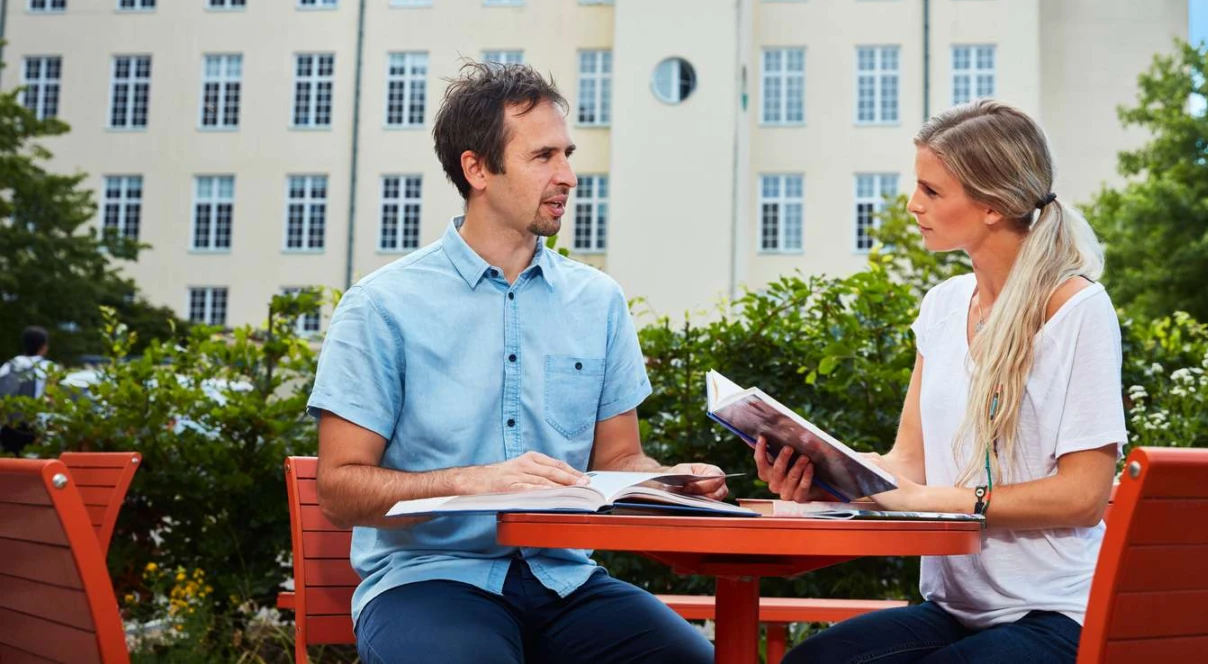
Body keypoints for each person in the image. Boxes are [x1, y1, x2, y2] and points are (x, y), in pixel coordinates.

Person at [309, 62, 723, 664]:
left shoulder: (597, 301)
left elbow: (618, 460)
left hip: (566, 580)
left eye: (568, 154)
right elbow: (340, 487)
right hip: (431, 578)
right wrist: (471, 480)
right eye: (543, 157)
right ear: (476, 168)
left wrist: (668, 485)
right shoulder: (381, 306)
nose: (569, 176)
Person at [757, 100, 1126, 664]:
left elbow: (1083, 496)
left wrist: (935, 499)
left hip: (1059, 613)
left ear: (993, 206)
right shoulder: (943, 306)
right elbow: (910, 464)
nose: (912, 205)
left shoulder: (1076, 309)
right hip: (956, 609)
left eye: (932, 191)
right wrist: (828, 473)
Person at [0, 326, 53, 454]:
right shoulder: (48, 368)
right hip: (35, 428)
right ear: (43, 346)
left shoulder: (9, 366)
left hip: (8, 426)